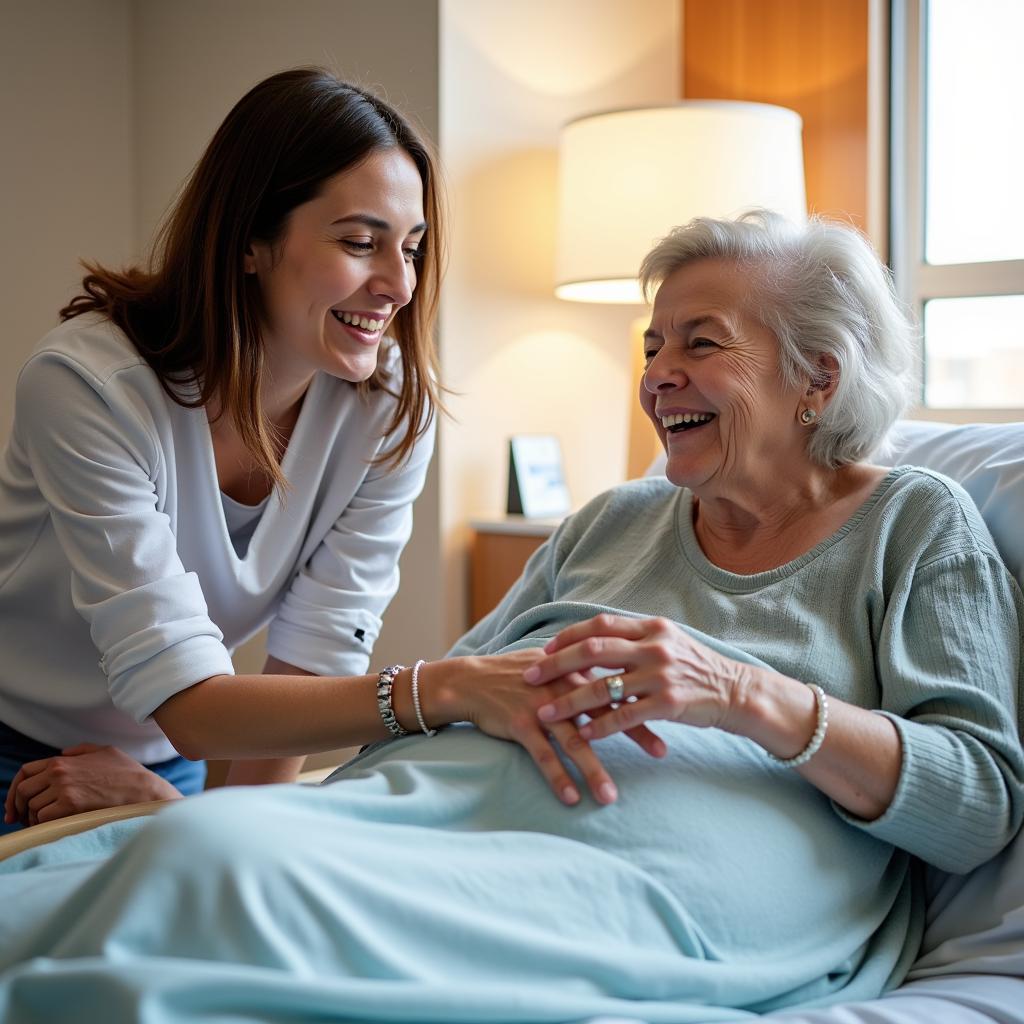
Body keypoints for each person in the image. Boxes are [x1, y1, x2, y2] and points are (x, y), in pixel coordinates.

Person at [0, 211, 1020, 1020]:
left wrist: (746, 693)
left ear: (818, 378)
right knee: (140, 869)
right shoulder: (615, 519)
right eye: (653, 341)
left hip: (637, 888)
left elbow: (977, 803)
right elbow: (440, 707)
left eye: (699, 344)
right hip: (436, 829)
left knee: (201, 873)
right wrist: (236, 806)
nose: (656, 372)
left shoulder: (912, 521)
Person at [0, 67, 629, 835]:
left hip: (172, 751)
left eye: (414, 248)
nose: (399, 284)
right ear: (250, 243)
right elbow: (187, 697)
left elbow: (310, 667)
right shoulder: (89, 387)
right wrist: (444, 688)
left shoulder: (391, 409)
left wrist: (178, 813)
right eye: (361, 243)